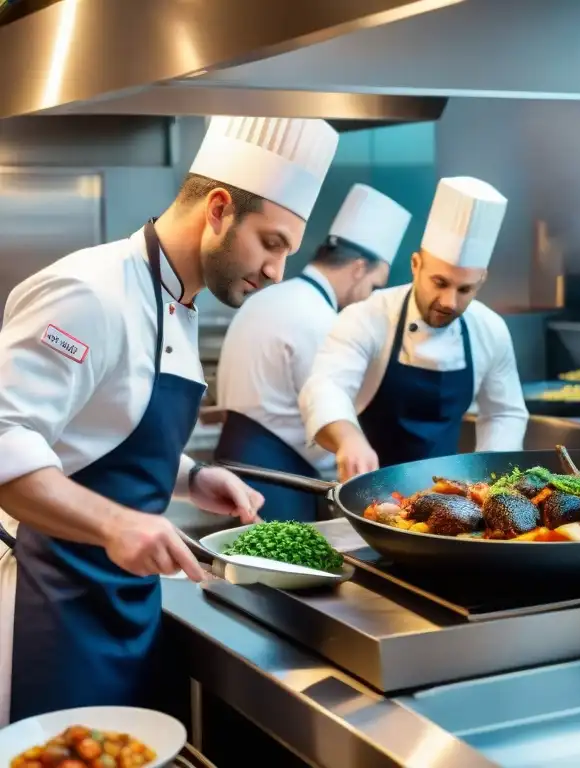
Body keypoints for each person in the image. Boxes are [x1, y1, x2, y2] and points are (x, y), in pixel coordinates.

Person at [0, 115, 339, 724]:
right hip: (51, 607)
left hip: (126, 600)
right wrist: (114, 525)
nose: (277, 271)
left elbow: (101, 427)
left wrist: (189, 478)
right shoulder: (90, 291)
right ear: (218, 208)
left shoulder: (178, 302)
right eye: (272, 243)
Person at [299, 176, 529, 481]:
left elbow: (504, 412)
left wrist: (491, 481)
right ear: (416, 265)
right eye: (440, 282)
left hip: (450, 496)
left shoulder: (489, 329)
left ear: (481, 281)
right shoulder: (368, 317)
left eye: (465, 290)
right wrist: (349, 439)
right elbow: (326, 386)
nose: (449, 301)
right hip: (372, 489)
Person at [214, 184, 412, 521]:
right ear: (358, 268)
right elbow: (321, 411)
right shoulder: (320, 319)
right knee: (278, 573)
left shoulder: (272, 295)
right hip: (276, 478)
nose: (369, 297)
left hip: (236, 460)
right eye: (373, 286)